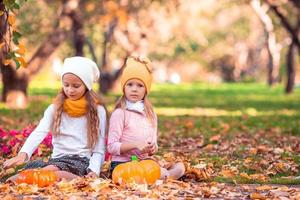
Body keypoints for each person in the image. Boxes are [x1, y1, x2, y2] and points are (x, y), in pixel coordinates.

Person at [3, 56, 107, 181]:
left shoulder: (97, 111)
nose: (70, 90)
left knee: (49, 174)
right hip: (56, 160)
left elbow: (99, 147)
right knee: (27, 175)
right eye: (66, 85)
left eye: (76, 86)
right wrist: (23, 154)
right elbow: (39, 132)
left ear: (87, 85)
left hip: (81, 161)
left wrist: (94, 170)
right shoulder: (55, 108)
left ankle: (80, 179)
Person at [107, 56, 185, 180]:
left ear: (146, 90)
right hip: (123, 164)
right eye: (130, 84)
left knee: (180, 166)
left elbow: (152, 146)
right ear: (124, 87)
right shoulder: (120, 113)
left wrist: (153, 148)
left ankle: (163, 175)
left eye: (140, 85)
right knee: (135, 176)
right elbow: (111, 147)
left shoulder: (150, 114)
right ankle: (165, 176)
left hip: (143, 161)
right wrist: (135, 145)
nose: (134, 89)